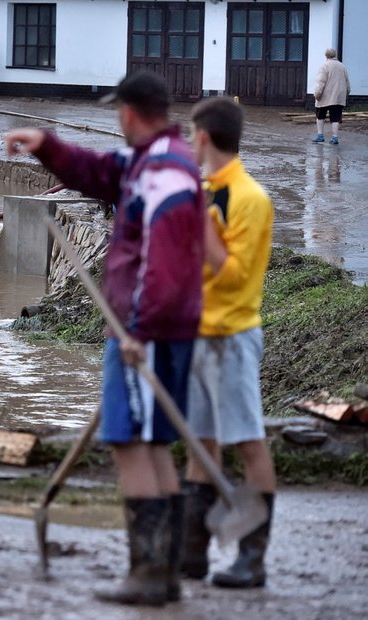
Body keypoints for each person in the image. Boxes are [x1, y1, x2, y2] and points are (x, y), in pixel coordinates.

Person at [5, 71, 204, 606]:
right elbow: (93, 171)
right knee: (150, 441)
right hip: (156, 327)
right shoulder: (146, 162)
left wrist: (140, 329)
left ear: (132, 113)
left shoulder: (165, 174)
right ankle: (162, 574)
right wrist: (47, 146)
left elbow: (164, 265)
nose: (117, 120)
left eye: (119, 112)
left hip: (147, 329)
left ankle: (148, 573)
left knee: (129, 442)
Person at [182, 97, 276, 589]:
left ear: (202, 137)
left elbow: (236, 278)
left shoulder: (251, 199)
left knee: (246, 440)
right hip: (196, 334)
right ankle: (193, 551)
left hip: (233, 337)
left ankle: (251, 557)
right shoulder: (203, 191)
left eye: (188, 135)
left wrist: (202, 224)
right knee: (200, 443)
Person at [312, 48, 350, 145]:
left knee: (320, 116)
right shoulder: (342, 67)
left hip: (325, 97)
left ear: (326, 56)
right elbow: (347, 83)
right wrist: (346, 94)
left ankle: (320, 136)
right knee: (336, 118)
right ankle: (335, 138)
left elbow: (320, 82)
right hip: (338, 97)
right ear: (335, 55)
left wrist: (317, 95)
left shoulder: (324, 66)